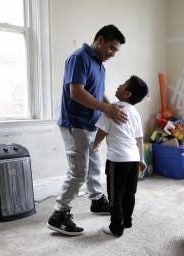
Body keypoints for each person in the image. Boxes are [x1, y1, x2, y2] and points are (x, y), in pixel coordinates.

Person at [47, 25, 127, 236]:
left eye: (116, 51)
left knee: (94, 164)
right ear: (100, 40)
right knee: (78, 171)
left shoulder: (99, 65)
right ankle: (59, 214)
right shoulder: (79, 57)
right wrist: (106, 109)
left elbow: (98, 93)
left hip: (91, 124)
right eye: (111, 48)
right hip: (75, 123)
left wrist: (113, 109)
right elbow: (76, 92)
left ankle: (97, 200)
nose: (112, 54)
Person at [93, 75, 149, 237]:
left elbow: (102, 131)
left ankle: (116, 227)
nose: (119, 85)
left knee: (115, 194)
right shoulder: (135, 113)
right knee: (129, 192)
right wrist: (141, 159)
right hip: (132, 159)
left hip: (117, 160)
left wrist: (95, 143)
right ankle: (127, 220)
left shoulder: (112, 109)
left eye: (123, 84)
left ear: (127, 94)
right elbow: (139, 139)